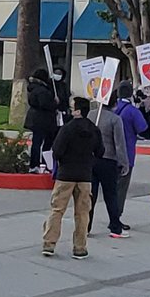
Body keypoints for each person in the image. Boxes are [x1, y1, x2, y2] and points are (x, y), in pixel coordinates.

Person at [43, 96, 100, 258]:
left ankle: (49, 243)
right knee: (82, 213)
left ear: (77, 111)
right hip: (85, 175)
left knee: (57, 209)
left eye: (72, 107)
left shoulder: (67, 129)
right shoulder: (93, 130)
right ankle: (80, 247)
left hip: (66, 174)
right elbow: (100, 151)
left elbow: (57, 151)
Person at [91, 101, 130, 237]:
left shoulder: (91, 115)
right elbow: (119, 143)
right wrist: (124, 163)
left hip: (91, 159)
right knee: (111, 195)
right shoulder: (115, 119)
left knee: (90, 195)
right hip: (108, 159)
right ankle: (115, 226)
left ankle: (86, 226)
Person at [113, 81, 149, 213]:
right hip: (126, 152)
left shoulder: (112, 108)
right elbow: (143, 129)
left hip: (109, 153)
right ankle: (116, 215)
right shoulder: (132, 111)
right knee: (121, 188)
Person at [25, 68, 59, 172]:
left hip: (35, 119)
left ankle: (34, 164)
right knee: (46, 143)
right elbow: (45, 104)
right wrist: (55, 103)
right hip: (43, 120)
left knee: (36, 142)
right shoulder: (42, 90)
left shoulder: (33, 88)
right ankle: (44, 163)